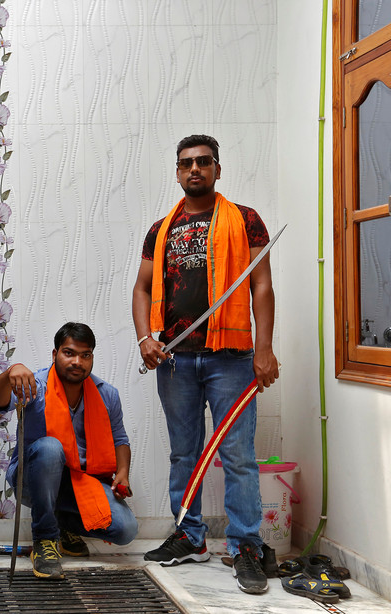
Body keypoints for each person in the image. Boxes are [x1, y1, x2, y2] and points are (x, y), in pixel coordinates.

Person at [131, 134, 279, 595]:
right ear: (177, 172)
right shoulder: (160, 229)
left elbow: (261, 286)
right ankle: (190, 537)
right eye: (186, 163)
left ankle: (246, 546)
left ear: (217, 168)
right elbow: (141, 288)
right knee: (183, 453)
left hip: (231, 359)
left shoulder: (246, 220)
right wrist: (144, 338)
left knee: (237, 455)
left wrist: (265, 348)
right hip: (175, 360)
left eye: (203, 162)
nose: (194, 169)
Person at [0, 322, 138, 580]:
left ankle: (60, 525)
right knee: (50, 448)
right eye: (69, 353)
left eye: (85, 355)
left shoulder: (107, 394)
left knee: (126, 530)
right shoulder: (35, 385)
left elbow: (120, 439)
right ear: (54, 354)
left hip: (81, 481)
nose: (77, 361)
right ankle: (45, 540)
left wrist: (122, 472)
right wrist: (11, 370)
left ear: (91, 358)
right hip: (31, 478)